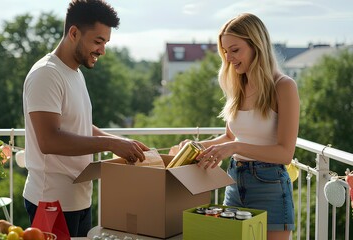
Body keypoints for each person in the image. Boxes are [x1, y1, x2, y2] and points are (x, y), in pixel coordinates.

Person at [22, 0, 149, 237]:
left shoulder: (75, 73)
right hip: (51, 202)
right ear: (73, 33)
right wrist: (111, 144)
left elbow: (79, 125)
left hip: (78, 200)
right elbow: (49, 140)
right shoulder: (46, 74)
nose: (102, 50)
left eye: (105, 43)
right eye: (98, 41)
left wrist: (121, 142)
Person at [177, 13, 299, 240]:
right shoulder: (238, 86)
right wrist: (195, 146)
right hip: (235, 182)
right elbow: (229, 137)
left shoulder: (284, 87)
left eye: (235, 50)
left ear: (256, 45)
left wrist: (235, 147)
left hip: (270, 186)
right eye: (225, 51)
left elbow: (285, 153)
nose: (229, 57)